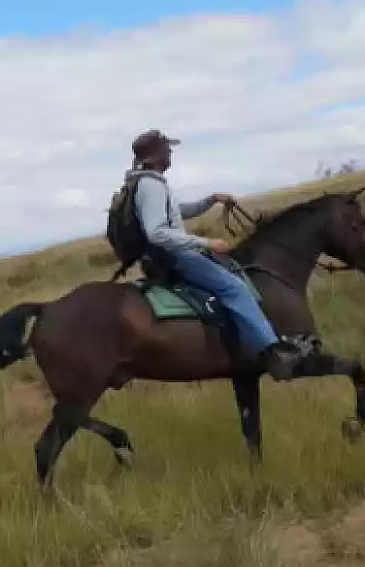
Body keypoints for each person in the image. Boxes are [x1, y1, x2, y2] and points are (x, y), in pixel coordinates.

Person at [127, 130, 302, 381]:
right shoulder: (150, 186)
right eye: (167, 149)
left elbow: (177, 211)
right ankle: (271, 353)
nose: (170, 153)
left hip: (168, 254)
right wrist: (206, 242)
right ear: (155, 156)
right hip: (176, 257)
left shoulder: (149, 183)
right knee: (235, 288)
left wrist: (210, 201)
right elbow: (156, 232)